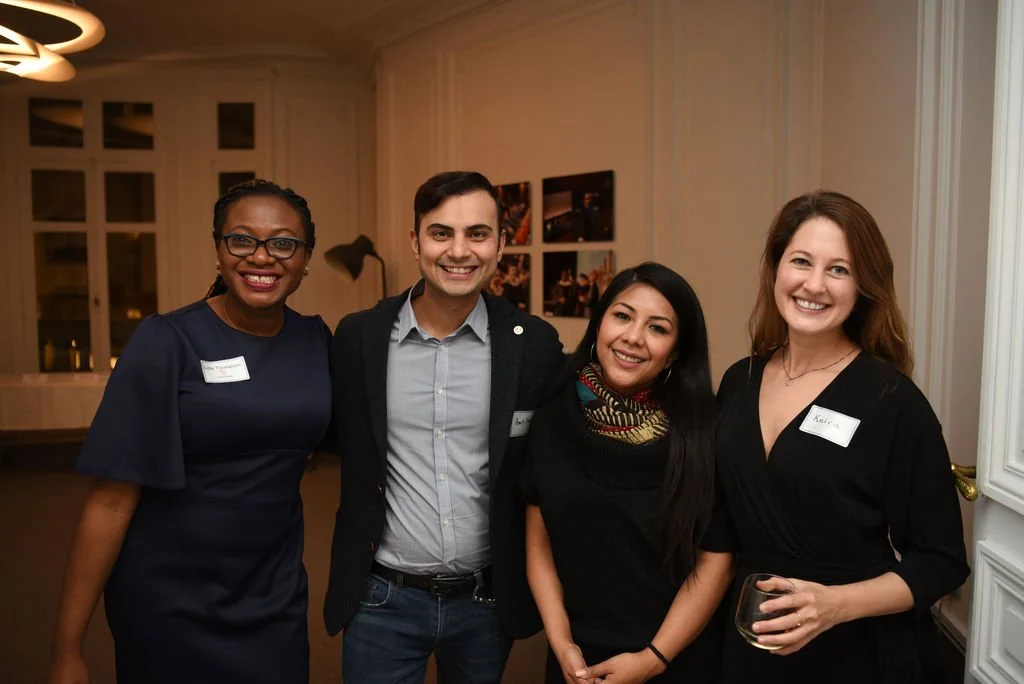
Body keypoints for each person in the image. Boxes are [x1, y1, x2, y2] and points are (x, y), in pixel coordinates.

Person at [49, 180, 331, 684]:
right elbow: (111, 501)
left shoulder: (316, 339)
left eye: (283, 242)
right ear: (219, 250)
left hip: (273, 595)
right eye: (242, 240)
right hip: (168, 600)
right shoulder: (167, 340)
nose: (262, 257)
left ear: (306, 257)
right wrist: (67, 648)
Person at [714, 190, 970, 683]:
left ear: (864, 287)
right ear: (775, 270)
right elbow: (717, 525)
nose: (814, 284)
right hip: (750, 638)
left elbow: (941, 562)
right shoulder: (737, 382)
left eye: (839, 269)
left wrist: (833, 605)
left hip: (855, 650)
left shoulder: (892, 402)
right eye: (801, 261)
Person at [323, 170, 566, 683]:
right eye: (441, 233)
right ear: (415, 242)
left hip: (484, 600)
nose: (459, 251)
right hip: (381, 596)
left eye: (477, 234)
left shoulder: (534, 345)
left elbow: (560, 457)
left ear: (501, 245)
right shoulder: (359, 338)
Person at [523, 262, 734, 683]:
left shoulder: (704, 429)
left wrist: (653, 658)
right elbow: (538, 543)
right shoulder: (554, 413)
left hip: (675, 656)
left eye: (657, 328)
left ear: (675, 350)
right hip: (575, 659)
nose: (633, 337)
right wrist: (562, 641)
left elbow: (717, 560)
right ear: (599, 323)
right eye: (622, 316)